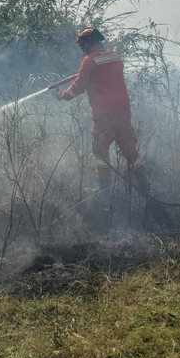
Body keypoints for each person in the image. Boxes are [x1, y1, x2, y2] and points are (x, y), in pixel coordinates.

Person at [55, 27, 150, 234]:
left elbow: (78, 87)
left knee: (100, 154)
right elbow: (101, 75)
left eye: (82, 45)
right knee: (131, 152)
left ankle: (105, 198)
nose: (82, 49)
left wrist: (62, 95)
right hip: (123, 113)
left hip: (104, 116)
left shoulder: (89, 61)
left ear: (87, 44)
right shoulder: (114, 56)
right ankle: (146, 193)